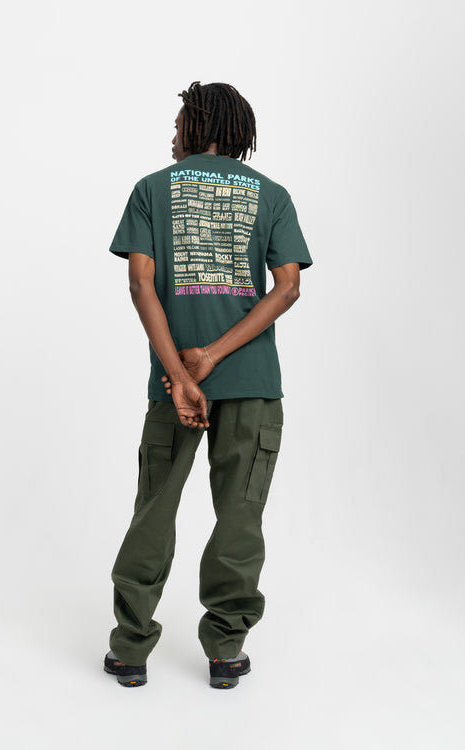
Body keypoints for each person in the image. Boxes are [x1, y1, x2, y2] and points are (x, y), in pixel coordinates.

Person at [103, 81, 313, 688]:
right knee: (240, 516)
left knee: (154, 510)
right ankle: (225, 651)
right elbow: (288, 287)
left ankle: (131, 649)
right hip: (251, 381)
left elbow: (141, 285)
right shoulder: (272, 194)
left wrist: (179, 373)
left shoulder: (152, 189)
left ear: (199, 125)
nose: (172, 134)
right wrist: (213, 357)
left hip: (173, 384)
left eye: (178, 123)